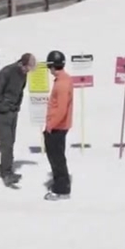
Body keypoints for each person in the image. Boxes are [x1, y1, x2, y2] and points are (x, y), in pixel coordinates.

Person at [0, 53, 35, 187]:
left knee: (11, 139)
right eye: (29, 67)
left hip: (12, 110)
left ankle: (5, 165)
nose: (29, 71)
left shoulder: (23, 74)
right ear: (23, 63)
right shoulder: (7, 72)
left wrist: (16, 107)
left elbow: (20, 91)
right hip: (1, 111)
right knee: (7, 141)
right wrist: (4, 108)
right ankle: (6, 173)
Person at [43, 50, 74, 201]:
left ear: (53, 66)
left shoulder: (62, 84)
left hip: (57, 127)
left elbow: (61, 109)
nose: (49, 70)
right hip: (59, 125)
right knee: (56, 156)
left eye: (50, 67)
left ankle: (61, 189)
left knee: (56, 158)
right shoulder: (64, 79)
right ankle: (60, 183)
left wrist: (51, 125)